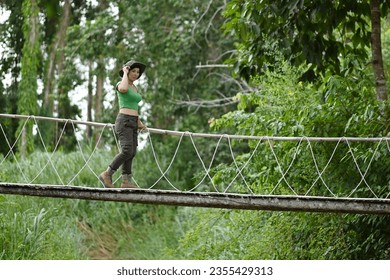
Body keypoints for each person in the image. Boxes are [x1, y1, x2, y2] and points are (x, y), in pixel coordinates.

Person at [99, 60, 147, 188]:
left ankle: (126, 181)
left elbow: (134, 106)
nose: (136, 74)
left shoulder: (135, 88)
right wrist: (125, 72)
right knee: (126, 150)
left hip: (133, 121)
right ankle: (107, 173)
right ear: (127, 71)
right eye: (133, 71)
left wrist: (139, 122)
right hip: (124, 120)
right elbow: (123, 89)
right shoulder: (121, 83)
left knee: (132, 151)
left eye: (138, 72)